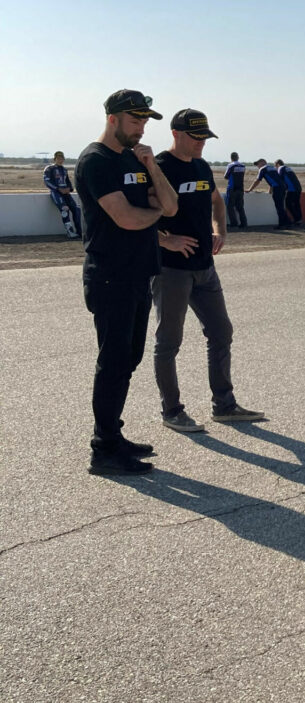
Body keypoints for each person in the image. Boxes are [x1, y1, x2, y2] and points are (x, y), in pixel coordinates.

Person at [75, 89, 178, 475]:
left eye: (145, 121)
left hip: (138, 273)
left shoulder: (134, 159)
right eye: (135, 121)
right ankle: (102, 450)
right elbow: (128, 219)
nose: (141, 128)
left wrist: (152, 167)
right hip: (109, 276)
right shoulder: (96, 161)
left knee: (128, 359)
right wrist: (152, 209)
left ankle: (113, 436)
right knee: (113, 361)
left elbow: (170, 206)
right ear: (113, 119)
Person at [153, 109, 265, 433]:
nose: (202, 143)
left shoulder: (202, 167)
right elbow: (141, 216)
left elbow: (217, 201)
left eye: (205, 137)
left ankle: (224, 405)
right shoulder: (159, 168)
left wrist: (220, 230)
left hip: (205, 267)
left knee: (221, 331)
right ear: (176, 134)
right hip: (171, 270)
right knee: (168, 341)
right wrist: (166, 239)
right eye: (196, 137)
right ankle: (172, 411)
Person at [43, 150, 82, 238]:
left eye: (62, 158)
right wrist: (58, 189)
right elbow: (46, 181)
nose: (60, 160)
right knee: (65, 209)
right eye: (58, 158)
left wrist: (70, 188)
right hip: (56, 193)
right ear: (55, 159)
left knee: (76, 209)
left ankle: (80, 232)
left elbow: (67, 181)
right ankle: (70, 231)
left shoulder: (64, 170)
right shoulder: (49, 168)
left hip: (66, 193)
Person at [247, 158, 289, 229]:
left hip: (277, 188)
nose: (258, 166)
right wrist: (270, 191)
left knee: (279, 207)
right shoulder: (273, 168)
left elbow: (257, 180)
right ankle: (288, 223)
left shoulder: (263, 169)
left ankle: (282, 224)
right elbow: (273, 180)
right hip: (283, 187)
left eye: (258, 164)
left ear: (263, 162)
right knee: (281, 206)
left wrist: (250, 189)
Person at [223, 152, 248, 229]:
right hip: (241, 188)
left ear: (231, 158)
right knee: (240, 207)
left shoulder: (231, 165)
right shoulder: (243, 165)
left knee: (230, 206)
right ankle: (244, 223)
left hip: (232, 188)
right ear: (238, 157)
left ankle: (234, 224)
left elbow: (226, 176)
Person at [275, 159, 303, 226]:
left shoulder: (280, 168)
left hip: (291, 189)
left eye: (275, 165)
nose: (275, 167)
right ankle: (299, 220)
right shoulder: (288, 168)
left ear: (277, 164)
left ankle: (296, 219)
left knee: (288, 204)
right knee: (297, 205)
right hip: (298, 188)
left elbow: (280, 179)